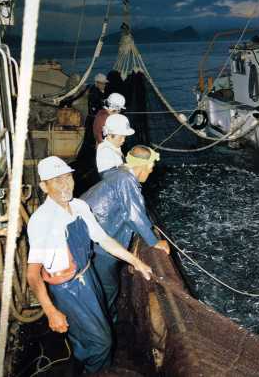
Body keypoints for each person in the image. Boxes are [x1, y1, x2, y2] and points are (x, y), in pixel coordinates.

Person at [26, 156, 153, 374]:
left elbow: (103, 239)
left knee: (90, 333)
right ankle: (94, 372)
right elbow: (32, 274)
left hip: (88, 274)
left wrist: (136, 261)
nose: (65, 184)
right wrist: (51, 311)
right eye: (57, 180)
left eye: (68, 177)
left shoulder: (80, 206)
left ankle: (81, 358)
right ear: (43, 186)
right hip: (68, 288)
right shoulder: (42, 220)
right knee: (102, 342)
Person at [82, 145, 169, 321]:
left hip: (90, 238)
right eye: (151, 166)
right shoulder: (127, 181)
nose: (151, 171)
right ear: (142, 166)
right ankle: (106, 323)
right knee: (108, 287)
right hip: (98, 245)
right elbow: (135, 215)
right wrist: (154, 241)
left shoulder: (118, 172)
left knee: (103, 284)